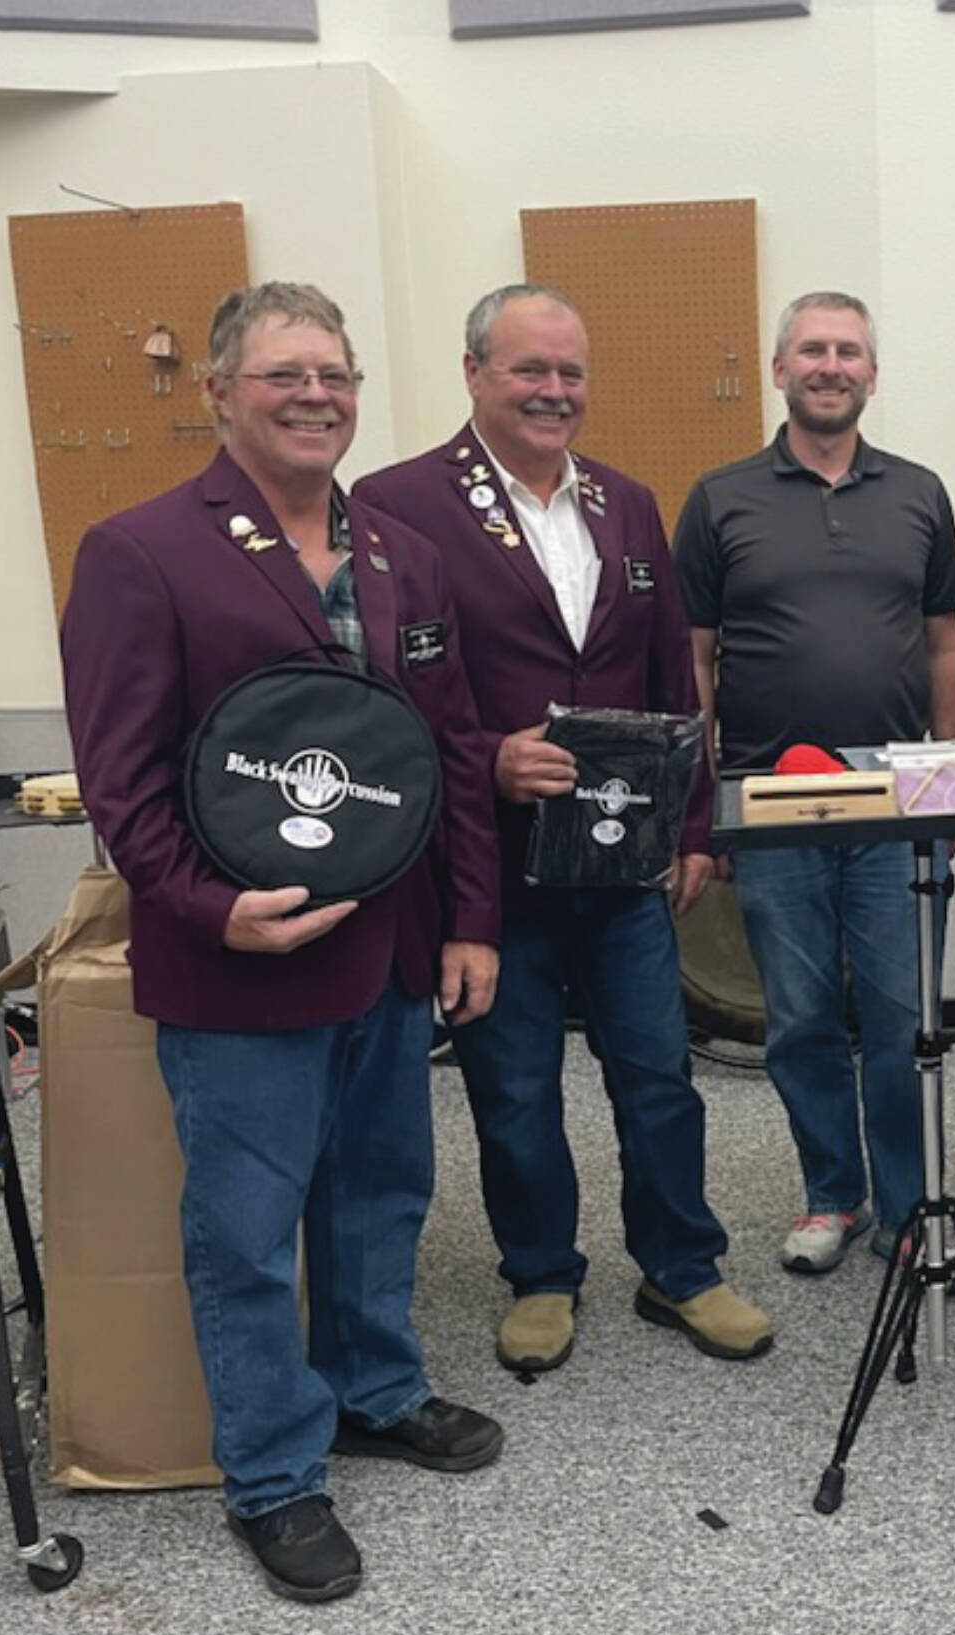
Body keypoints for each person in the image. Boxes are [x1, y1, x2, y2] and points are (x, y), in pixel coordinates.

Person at [60, 282, 504, 1604]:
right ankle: (274, 1471)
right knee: (247, 1229)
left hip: (386, 948)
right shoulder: (142, 551)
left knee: (381, 1196)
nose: (318, 395)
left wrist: (472, 916)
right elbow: (121, 780)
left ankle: (374, 1389)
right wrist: (212, 907)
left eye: (337, 374)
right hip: (240, 962)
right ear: (220, 393)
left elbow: (454, 753)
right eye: (285, 375)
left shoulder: (404, 552)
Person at [355, 284, 772, 1370]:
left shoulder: (626, 502)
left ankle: (681, 1263)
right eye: (529, 369)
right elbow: (388, 692)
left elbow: (666, 672)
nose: (553, 391)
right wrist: (490, 754)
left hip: (624, 856)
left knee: (658, 1075)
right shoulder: (396, 503)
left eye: (569, 373)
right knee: (513, 1087)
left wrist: (693, 823)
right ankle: (540, 1270)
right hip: (487, 868)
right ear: (473, 373)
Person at [674, 291, 955, 1272]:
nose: (830, 364)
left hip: (892, 794)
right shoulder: (720, 498)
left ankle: (900, 1205)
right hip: (771, 799)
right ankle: (830, 1196)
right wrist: (702, 801)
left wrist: (950, 787)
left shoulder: (920, 493)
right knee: (798, 1017)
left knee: (896, 1015)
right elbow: (698, 659)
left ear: (871, 374)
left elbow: (942, 648)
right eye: (812, 349)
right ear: (778, 369)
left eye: (849, 350)